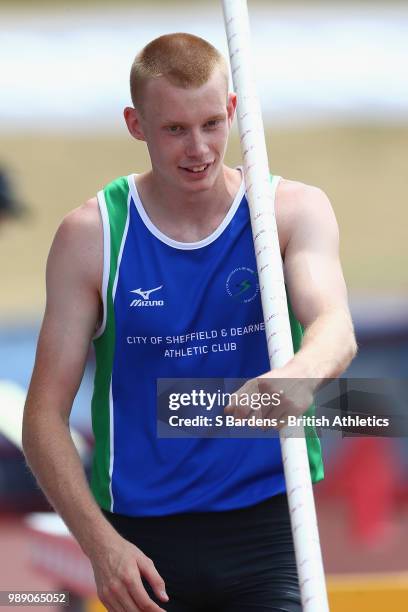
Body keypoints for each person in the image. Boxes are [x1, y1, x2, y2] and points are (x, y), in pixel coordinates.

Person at [22, 33, 357, 612]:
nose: (198, 148)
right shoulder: (93, 238)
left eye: (210, 123)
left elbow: (335, 326)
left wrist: (300, 376)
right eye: (175, 129)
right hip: (142, 543)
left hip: (271, 523)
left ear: (233, 110)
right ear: (135, 124)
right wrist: (100, 547)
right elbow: (44, 416)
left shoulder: (287, 213)